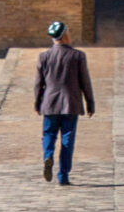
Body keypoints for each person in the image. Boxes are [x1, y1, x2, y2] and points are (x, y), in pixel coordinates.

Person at [34, 19, 94, 185]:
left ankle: (48, 156)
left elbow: (39, 83)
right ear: (66, 35)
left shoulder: (44, 56)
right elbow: (85, 82)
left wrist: (37, 103)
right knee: (67, 139)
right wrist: (90, 102)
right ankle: (63, 176)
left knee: (48, 134)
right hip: (71, 103)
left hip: (49, 103)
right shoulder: (77, 56)